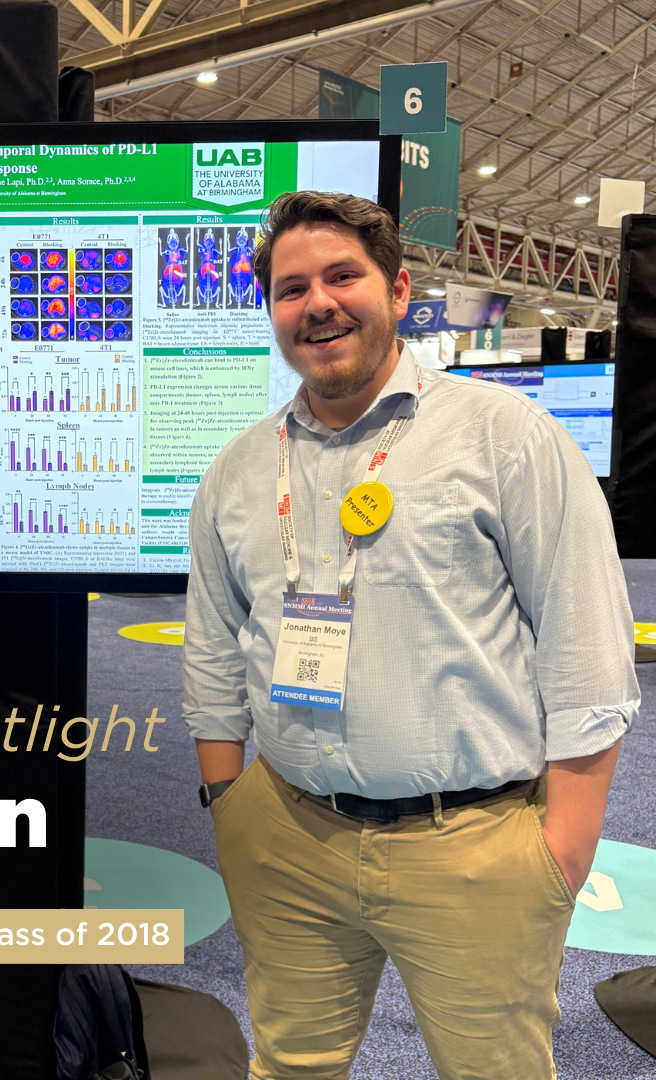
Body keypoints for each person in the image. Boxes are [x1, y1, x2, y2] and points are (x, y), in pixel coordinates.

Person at [182, 191, 640, 1080]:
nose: (317, 303)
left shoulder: (506, 439)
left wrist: (561, 856)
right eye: (290, 287)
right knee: (289, 1066)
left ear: (397, 292)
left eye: (342, 276)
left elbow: (586, 651)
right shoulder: (240, 469)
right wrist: (232, 810)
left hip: (472, 847)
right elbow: (212, 650)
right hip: (287, 834)